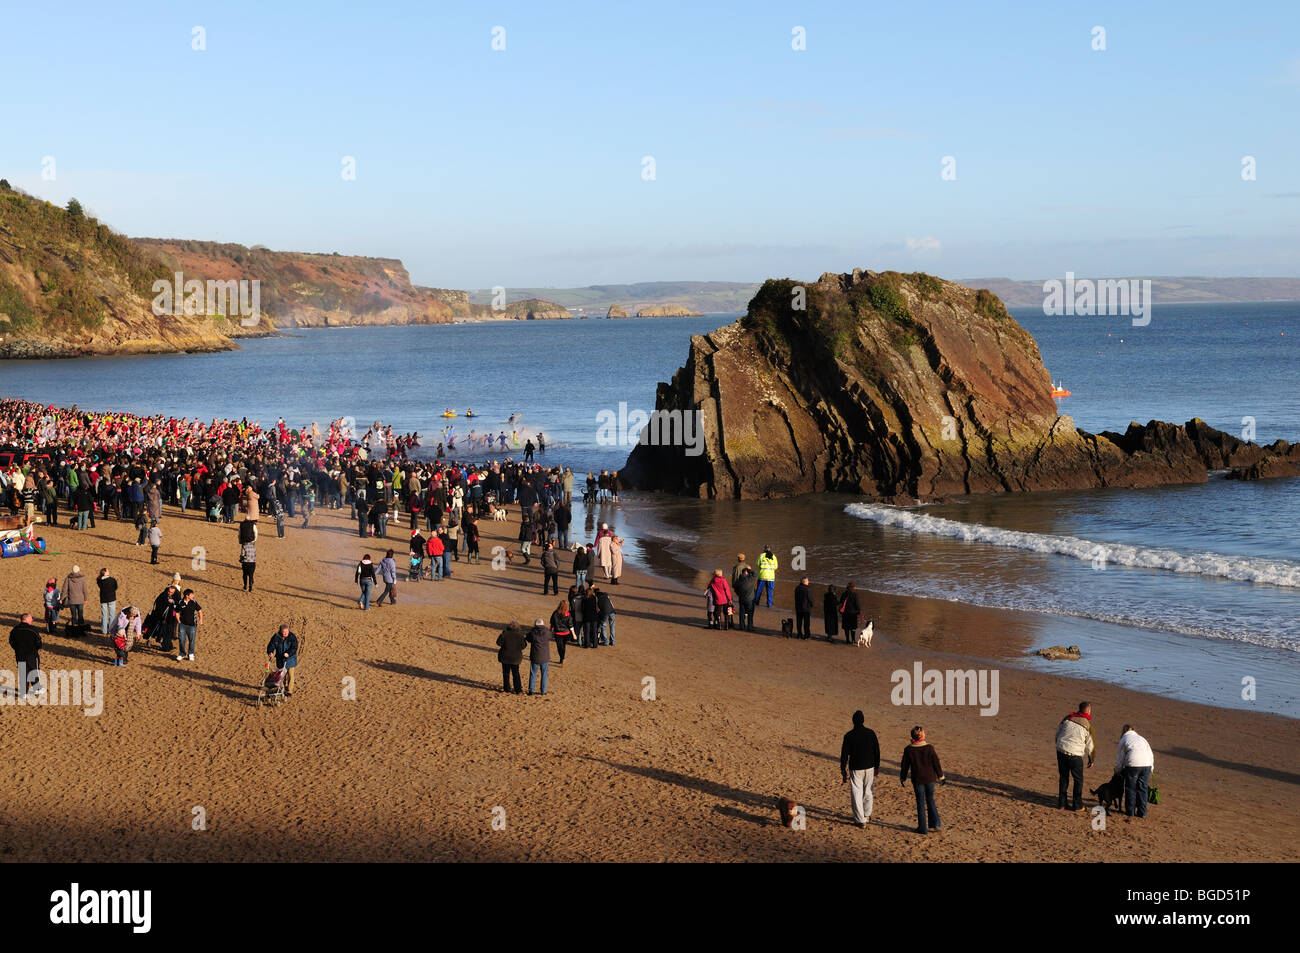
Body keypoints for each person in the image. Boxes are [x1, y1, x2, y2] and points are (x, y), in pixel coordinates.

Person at [899, 725, 945, 835]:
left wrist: (903, 777)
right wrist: (941, 776)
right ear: (922, 735)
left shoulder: (909, 749)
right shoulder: (929, 748)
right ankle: (936, 824)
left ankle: (923, 828)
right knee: (930, 800)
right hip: (930, 779)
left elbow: (905, 765)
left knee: (920, 803)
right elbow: (936, 763)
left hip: (918, 779)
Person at [840, 710, 881, 827]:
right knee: (868, 791)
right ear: (863, 720)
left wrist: (843, 769)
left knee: (857, 793)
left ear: (853, 721)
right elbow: (877, 751)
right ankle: (867, 814)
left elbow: (844, 754)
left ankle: (860, 819)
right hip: (869, 766)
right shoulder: (870, 733)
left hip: (856, 767)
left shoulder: (848, 735)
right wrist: (877, 766)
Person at [1054, 701, 1095, 812]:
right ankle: (1077, 805)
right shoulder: (1087, 725)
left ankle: (1062, 804)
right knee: (1078, 780)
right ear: (1088, 711)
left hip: (1061, 750)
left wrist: (1058, 745)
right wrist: (1091, 759)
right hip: (1075, 755)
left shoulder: (1068, 718)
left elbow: (1058, 734)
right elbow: (1090, 745)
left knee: (1064, 778)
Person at [1115, 724, 1155, 819]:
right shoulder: (1142, 739)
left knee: (1130, 788)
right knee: (1143, 788)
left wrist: (1117, 770)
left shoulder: (1124, 739)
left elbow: (1120, 758)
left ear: (1124, 732)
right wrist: (1151, 768)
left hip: (1133, 764)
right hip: (1146, 764)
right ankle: (1142, 813)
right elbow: (1150, 754)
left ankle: (1130, 812)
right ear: (1133, 730)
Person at [8, 613, 43, 696]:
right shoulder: (32, 629)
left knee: (23, 672)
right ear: (26, 619)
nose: (32, 620)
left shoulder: (14, 630)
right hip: (32, 654)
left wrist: (17, 649)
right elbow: (38, 642)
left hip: (19, 654)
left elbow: (11, 642)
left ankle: (24, 692)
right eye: (31, 618)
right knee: (34, 670)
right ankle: (37, 689)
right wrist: (35, 649)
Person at [266, 624, 299, 696]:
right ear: (280, 631)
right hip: (280, 659)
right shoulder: (276, 637)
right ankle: (283, 688)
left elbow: (294, 647)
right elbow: (271, 645)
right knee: (281, 675)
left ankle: (289, 691)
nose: (285, 633)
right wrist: (270, 652)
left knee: (290, 675)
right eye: (284, 632)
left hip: (290, 659)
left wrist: (288, 653)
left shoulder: (292, 637)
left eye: (286, 632)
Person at [525, 617, 555, 695]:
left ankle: (531, 690)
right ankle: (543, 691)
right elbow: (552, 636)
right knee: (544, 674)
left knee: (533, 674)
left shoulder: (532, 632)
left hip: (535, 656)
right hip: (545, 657)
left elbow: (527, 639)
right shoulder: (547, 632)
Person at [496, 621, 526, 693]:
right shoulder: (520, 635)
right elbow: (524, 645)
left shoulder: (505, 634)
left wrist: (502, 634)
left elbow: (498, 643)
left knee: (506, 673)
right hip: (515, 657)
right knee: (516, 673)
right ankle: (518, 689)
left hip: (505, 657)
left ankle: (507, 689)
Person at [175, 589, 202, 662]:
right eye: (192, 594)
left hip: (192, 625)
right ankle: (182, 654)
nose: (193, 596)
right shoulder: (180, 602)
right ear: (187, 595)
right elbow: (176, 612)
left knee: (192, 640)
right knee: (181, 640)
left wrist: (200, 620)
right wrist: (178, 621)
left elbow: (199, 611)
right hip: (182, 625)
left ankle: (191, 654)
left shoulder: (194, 602)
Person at [549, 599, 573, 665]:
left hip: (558, 633)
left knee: (560, 647)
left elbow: (552, 622)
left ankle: (562, 658)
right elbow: (570, 624)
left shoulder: (555, 613)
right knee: (563, 646)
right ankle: (562, 658)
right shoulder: (568, 614)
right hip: (566, 633)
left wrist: (550, 630)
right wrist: (573, 634)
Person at [734, 565, 757, 632]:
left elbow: (735, 589)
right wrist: (749, 569)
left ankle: (742, 626)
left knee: (742, 613)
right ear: (747, 572)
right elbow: (755, 573)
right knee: (750, 613)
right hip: (750, 599)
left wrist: (739, 594)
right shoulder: (750, 578)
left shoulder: (739, 579)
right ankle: (750, 627)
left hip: (741, 598)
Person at [96, 568, 118, 636]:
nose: (109, 571)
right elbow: (116, 587)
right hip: (111, 599)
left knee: (104, 615)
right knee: (112, 615)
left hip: (103, 599)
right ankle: (111, 630)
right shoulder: (112, 580)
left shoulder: (99, 580)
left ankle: (104, 630)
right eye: (107, 570)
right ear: (105, 572)